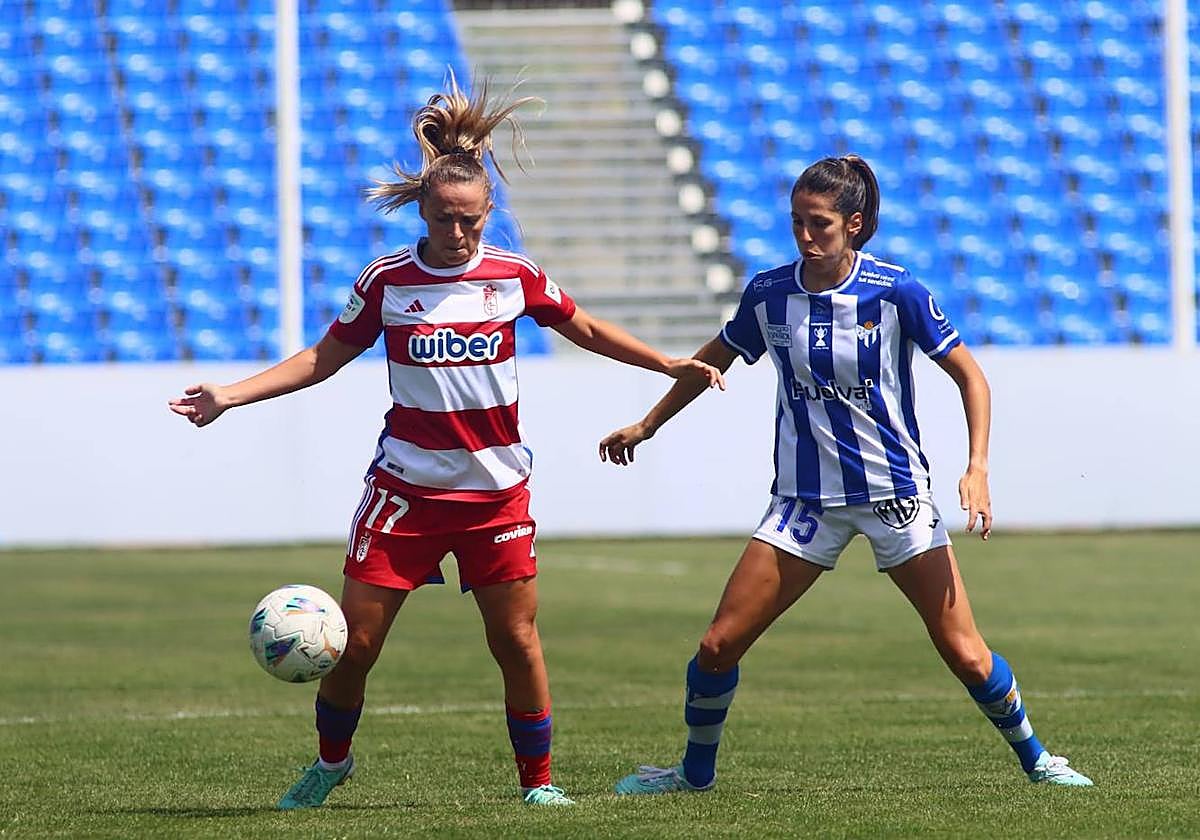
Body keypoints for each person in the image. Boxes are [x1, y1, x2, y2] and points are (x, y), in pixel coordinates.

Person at [169, 75, 724, 809]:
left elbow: (584, 326)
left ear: (488, 211)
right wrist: (230, 396)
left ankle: (539, 784)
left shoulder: (514, 276)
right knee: (354, 644)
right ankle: (332, 762)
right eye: (443, 219)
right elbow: (322, 358)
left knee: (516, 642)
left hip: (496, 494)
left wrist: (665, 361)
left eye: (469, 220)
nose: (457, 233)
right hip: (405, 493)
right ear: (422, 211)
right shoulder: (389, 281)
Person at [598, 155, 1093, 793]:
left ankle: (1039, 761)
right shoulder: (769, 293)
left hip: (895, 497)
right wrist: (648, 425)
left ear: (855, 225)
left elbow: (971, 375)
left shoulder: (896, 291)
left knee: (965, 652)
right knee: (718, 646)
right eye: (797, 222)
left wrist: (978, 467)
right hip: (804, 502)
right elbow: (709, 363)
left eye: (820, 224)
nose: (806, 236)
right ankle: (693, 776)